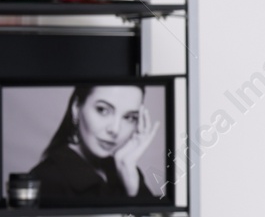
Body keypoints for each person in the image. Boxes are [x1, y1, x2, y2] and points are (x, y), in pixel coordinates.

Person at [25, 84, 166, 205]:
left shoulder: (126, 169)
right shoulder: (46, 179)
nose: (115, 129)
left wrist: (130, 176)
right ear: (76, 108)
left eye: (129, 117)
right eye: (103, 110)